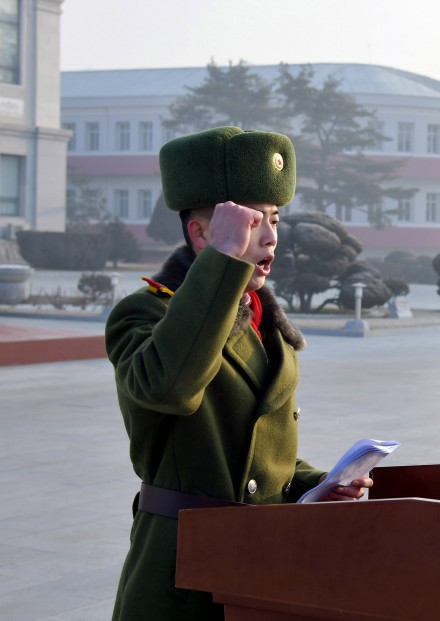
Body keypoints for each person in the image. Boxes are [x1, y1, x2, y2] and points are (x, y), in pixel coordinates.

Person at [106, 127, 371, 621]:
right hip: (184, 573)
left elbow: (256, 458)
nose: (271, 237)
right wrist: (224, 265)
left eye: (274, 219)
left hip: (261, 564)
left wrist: (317, 483)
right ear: (201, 234)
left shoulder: (261, 317)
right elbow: (170, 387)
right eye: (250, 223)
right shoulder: (144, 315)